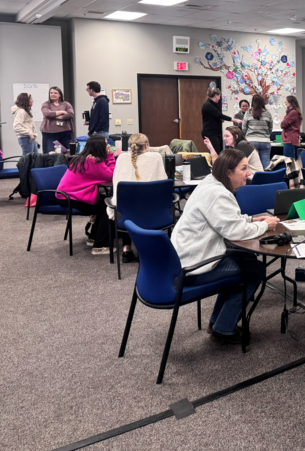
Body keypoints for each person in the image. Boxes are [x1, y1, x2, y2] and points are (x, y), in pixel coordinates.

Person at [171, 149, 279, 344]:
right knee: (254, 270)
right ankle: (224, 329)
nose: (249, 173)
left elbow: (223, 220)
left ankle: (218, 322)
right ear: (229, 173)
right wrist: (264, 225)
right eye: (243, 168)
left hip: (185, 256)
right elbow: (235, 232)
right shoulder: (218, 194)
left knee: (247, 260)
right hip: (193, 266)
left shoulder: (211, 183)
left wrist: (251, 218)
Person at [106, 133, 167, 263]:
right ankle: (143, 250)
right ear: (146, 145)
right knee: (147, 202)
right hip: (153, 214)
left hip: (124, 215)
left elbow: (115, 183)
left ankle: (126, 249)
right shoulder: (155, 157)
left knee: (126, 205)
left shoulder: (121, 158)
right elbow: (163, 182)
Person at [56, 135, 116, 255]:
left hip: (66, 195)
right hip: (70, 197)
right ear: (99, 147)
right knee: (109, 207)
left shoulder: (83, 158)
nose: (109, 146)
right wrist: (110, 157)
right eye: (106, 144)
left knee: (104, 201)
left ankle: (93, 237)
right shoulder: (92, 161)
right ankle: (101, 246)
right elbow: (112, 175)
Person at [242, 94, 273, 169]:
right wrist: (266, 136)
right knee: (266, 165)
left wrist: (247, 137)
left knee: (251, 165)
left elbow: (244, 128)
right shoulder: (267, 113)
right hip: (265, 141)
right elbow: (270, 128)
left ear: (252, 102)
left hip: (251, 142)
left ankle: (253, 180)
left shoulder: (248, 113)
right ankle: (267, 180)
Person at [40, 87, 74, 153]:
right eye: (51, 93)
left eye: (55, 93)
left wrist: (56, 117)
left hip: (65, 132)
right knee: (49, 154)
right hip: (49, 133)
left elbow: (70, 114)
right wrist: (62, 112)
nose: (53, 94)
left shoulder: (66, 104)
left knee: (67, 153)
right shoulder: (46, 104)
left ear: (60, 95)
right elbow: (47, 114)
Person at [201, 87, 232, 154]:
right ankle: (214, 164)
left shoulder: (214, 104)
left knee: (216, 152)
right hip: (211, 133)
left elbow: (216, 115)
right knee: (215, 153)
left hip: (215, 132)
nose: (219, 98)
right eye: (219, 96)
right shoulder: (208, 105)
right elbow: (219, 115)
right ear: (216, 96)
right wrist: (233, 119)